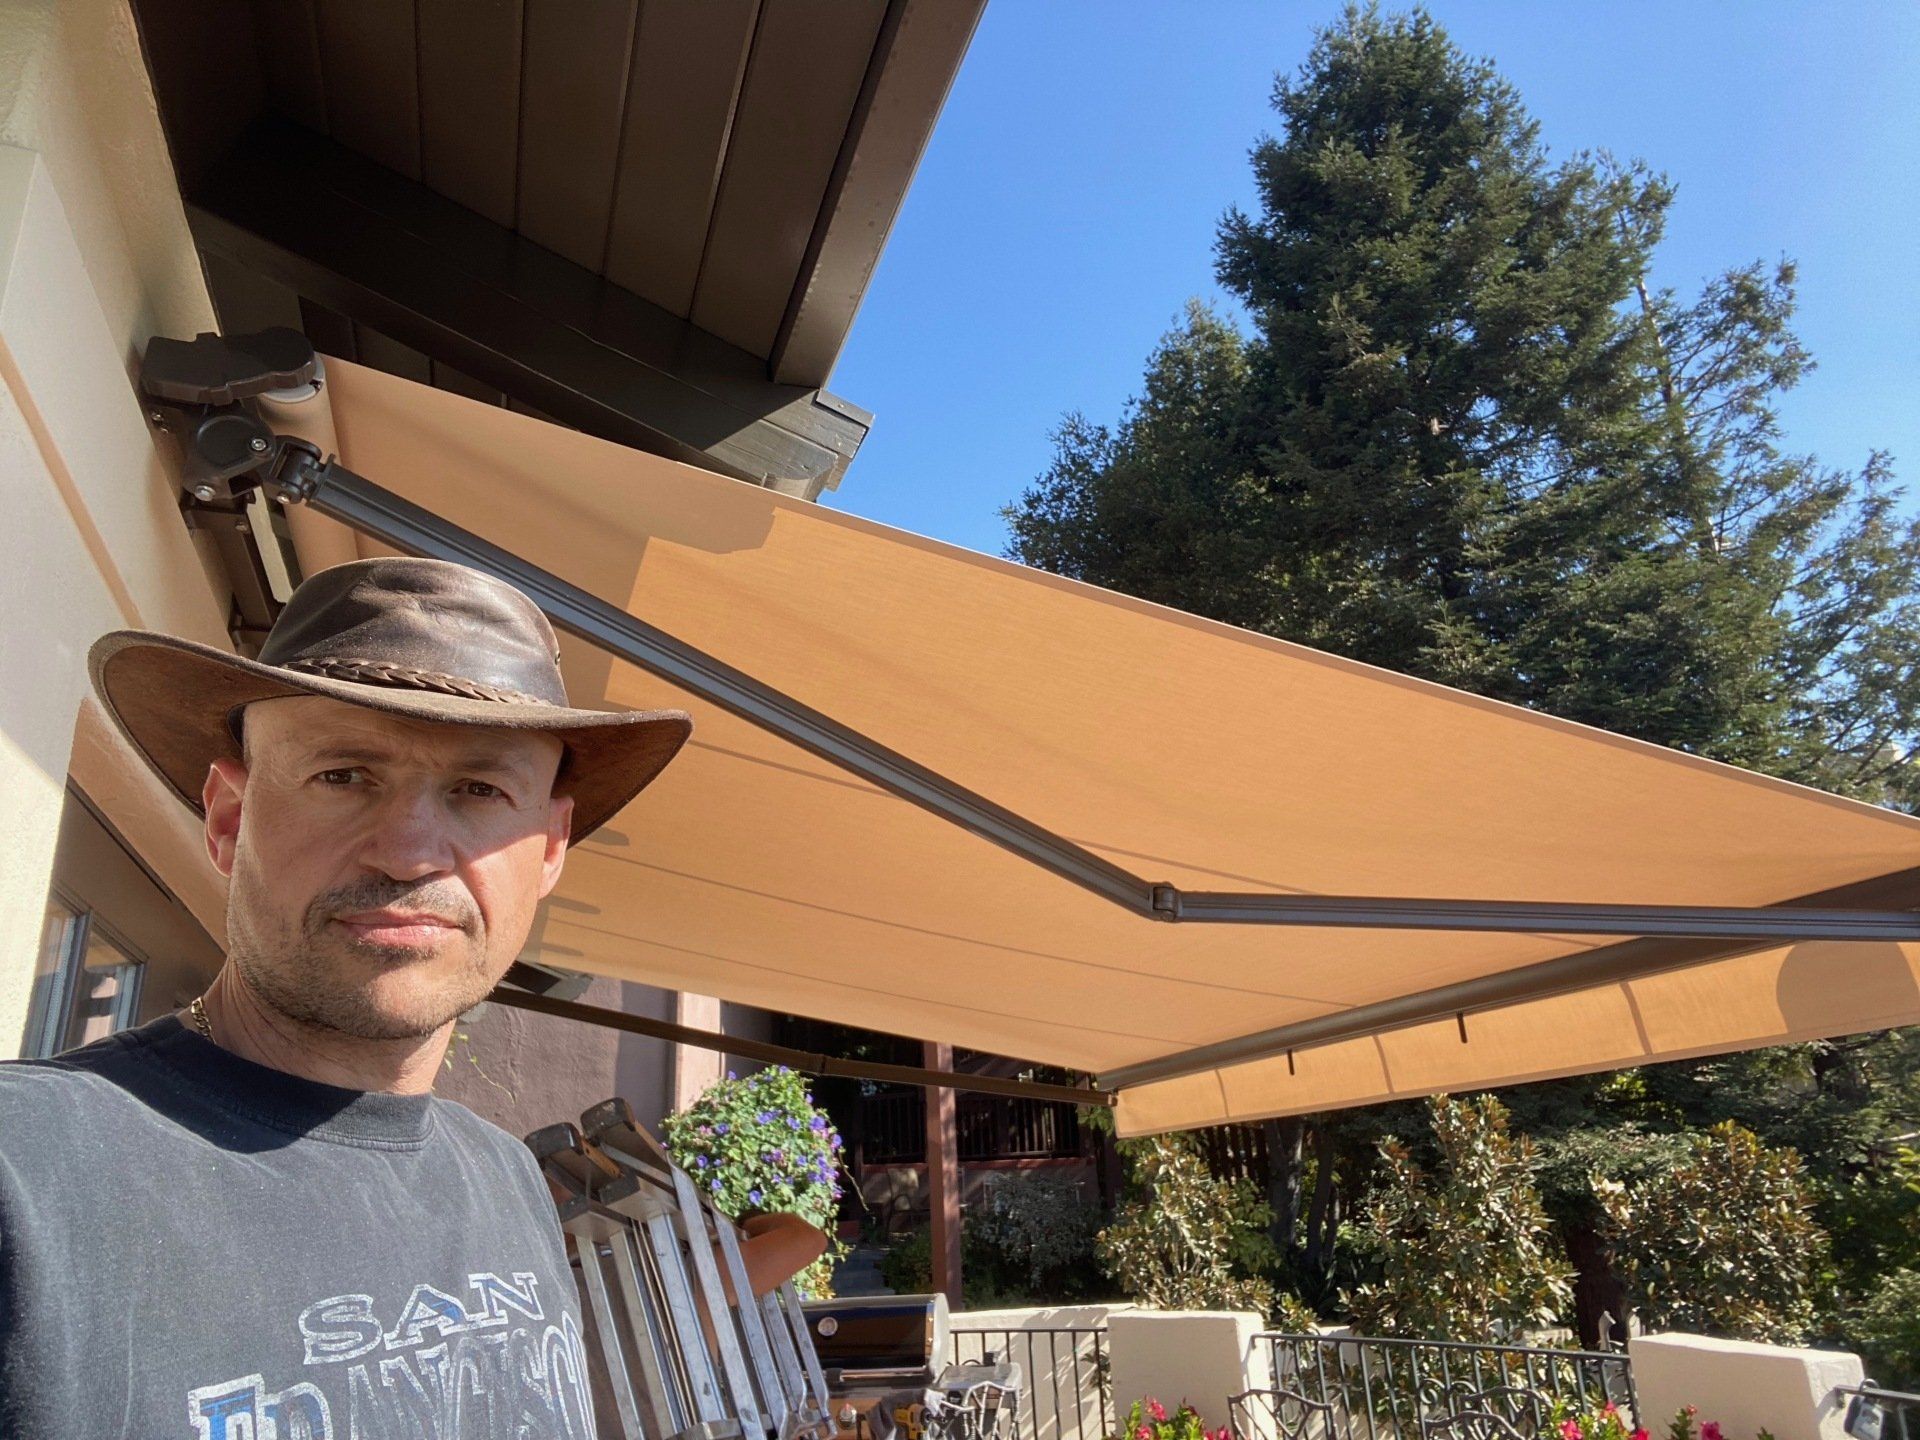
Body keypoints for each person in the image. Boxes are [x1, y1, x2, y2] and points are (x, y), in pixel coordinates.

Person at [0, 556, 694, 1438]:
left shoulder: (509, 1179)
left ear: (550, 850)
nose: (407, 852)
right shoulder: (28, 1178)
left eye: (479, 789)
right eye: (343, 775)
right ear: (228, 818)